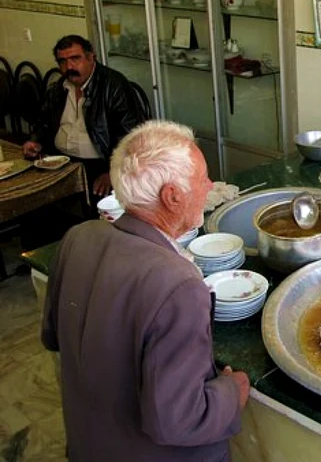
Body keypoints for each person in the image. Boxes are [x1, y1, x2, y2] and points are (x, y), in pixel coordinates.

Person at [41, 120, 250, 462]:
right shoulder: (178, 284)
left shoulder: (78, 237)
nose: (210, 186)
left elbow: (53, 337)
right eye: (202, 179)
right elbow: (179, 422)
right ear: (172, 196)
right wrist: (232, 390)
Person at [23, 34, 146, 203]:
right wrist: (35, 141)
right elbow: (43, 122)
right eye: (63, 61)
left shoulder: (114, 86)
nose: (69, 66)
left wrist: (113, 172)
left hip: (97, 166)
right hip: (60, 162)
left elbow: (131, 136)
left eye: (75, 58)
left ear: (91, 58)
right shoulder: (60, 88)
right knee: (30, 195)